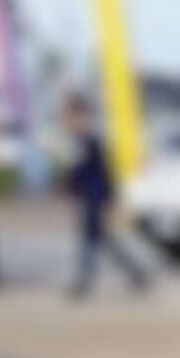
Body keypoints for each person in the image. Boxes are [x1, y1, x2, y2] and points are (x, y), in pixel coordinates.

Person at [61, 95, 149, 300]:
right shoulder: (76, 142)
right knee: (105, 242)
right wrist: (69, 190)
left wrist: (108, 203)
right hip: (87, 199)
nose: (68, 121)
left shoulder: (92, 142)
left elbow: (105, 176)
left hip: (96, 200)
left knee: (88, 242)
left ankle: (83, 282)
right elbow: (75, 175)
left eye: (72, 116)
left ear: (81, 116)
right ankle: (137, 273)